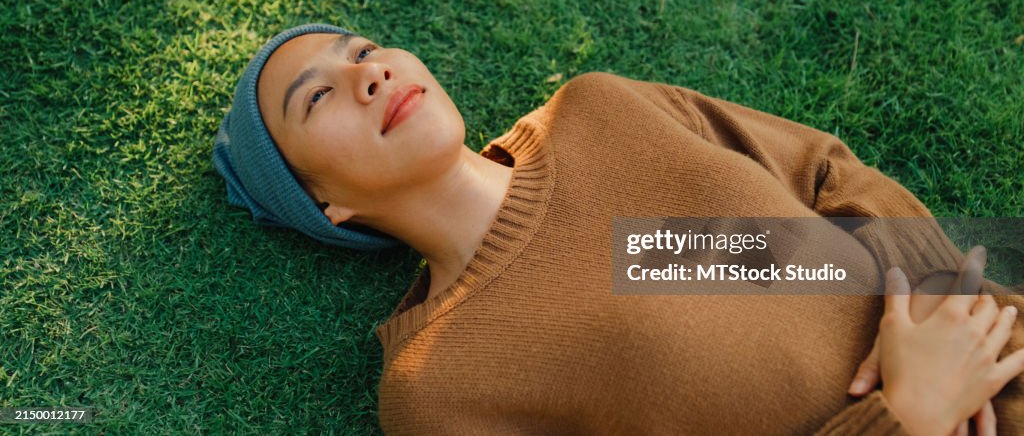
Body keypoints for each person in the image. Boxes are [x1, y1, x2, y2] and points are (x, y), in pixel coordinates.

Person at [213, 24, 1024, 435]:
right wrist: (907, 417)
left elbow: (825, 174)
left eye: (361, 49)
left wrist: (939, 300)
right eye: (316, 97)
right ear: (326, 206)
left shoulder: (599, 109)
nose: (370, 73)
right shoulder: (437, 387)